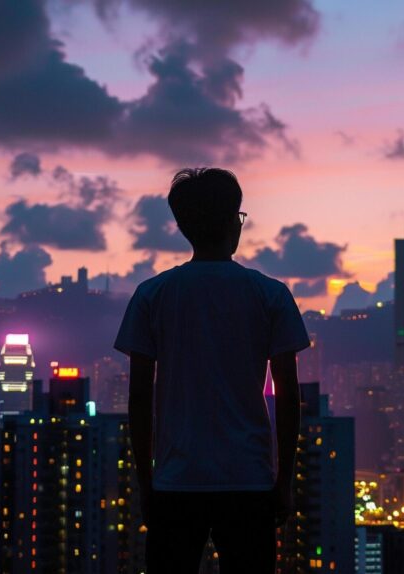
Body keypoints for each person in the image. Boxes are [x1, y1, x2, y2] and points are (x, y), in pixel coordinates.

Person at [114, 168, 310, 573]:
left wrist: (145, 484)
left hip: (175, 481)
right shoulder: (269, 294)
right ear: (232, 222)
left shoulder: (153, 295)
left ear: (184, 226)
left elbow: (138, 398)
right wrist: (284, 481)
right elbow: (289, 396)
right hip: (249, 480)